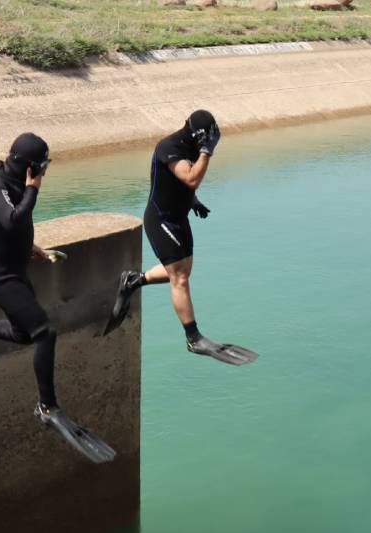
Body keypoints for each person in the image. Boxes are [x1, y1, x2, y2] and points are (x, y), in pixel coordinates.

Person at [0, 132, 115, 464]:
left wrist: (34, 249)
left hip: (16, 272)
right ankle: (46, 407)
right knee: (44, 333)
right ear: (28, 166)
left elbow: (15, 228)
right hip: (0, 278)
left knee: (24, 334)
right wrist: (33, 189)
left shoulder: (15, 183)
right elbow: (10, 221)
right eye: (42, 166)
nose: (45, 172)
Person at [102, 110, 257, 366]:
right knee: (180, 278)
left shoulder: (193, 146)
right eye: (205, 139)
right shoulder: (169, 147)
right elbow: (190, 177)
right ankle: (193, 338)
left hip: (179, 217)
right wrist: (206, 152)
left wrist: (192, 200)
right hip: (161, 219)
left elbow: (175, 182)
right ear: (196, 135)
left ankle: (133, 280)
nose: (207, 143)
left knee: (182, 270)